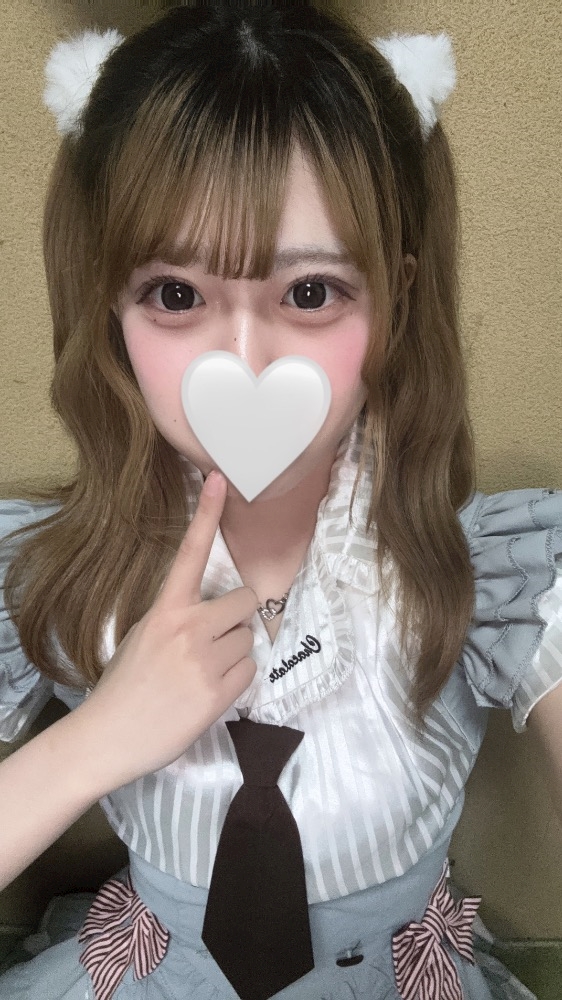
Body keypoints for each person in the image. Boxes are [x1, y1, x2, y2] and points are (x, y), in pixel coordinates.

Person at [0, 2, 560, 998]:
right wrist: (93, 742)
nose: (243, 363)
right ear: (112, 304)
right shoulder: (52, 569)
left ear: (394, 294)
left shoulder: (492, 567)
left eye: (309, 294)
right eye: (175, 295)